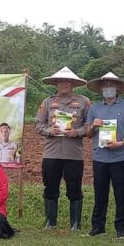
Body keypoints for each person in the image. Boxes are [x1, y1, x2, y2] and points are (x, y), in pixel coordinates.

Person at [35, 66, 91, 230]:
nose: (64, 83)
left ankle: (75, 224)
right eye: (61, 81)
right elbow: (38, 124)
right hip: (51, 153)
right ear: (56, 84)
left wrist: (77, 131)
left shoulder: (84, 102)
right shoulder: (48, 102)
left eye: (67, 81)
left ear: (73, 83)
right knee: (50, 187)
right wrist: (48, 130)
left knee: (74, 188)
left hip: (74, 154)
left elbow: (90, 126)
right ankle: (51, 222)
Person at [84, 72, 124, 238]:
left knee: (121, 194)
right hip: (99, 157)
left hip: (120, 156)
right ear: (101, 89)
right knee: (100, 193)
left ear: (118, 88)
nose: (108, 88)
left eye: (111, 85)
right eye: (105, 85)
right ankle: (98, 226)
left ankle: (121, 227)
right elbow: (88, 133)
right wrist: (93, 125)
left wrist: (121, 143)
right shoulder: (94, 108)